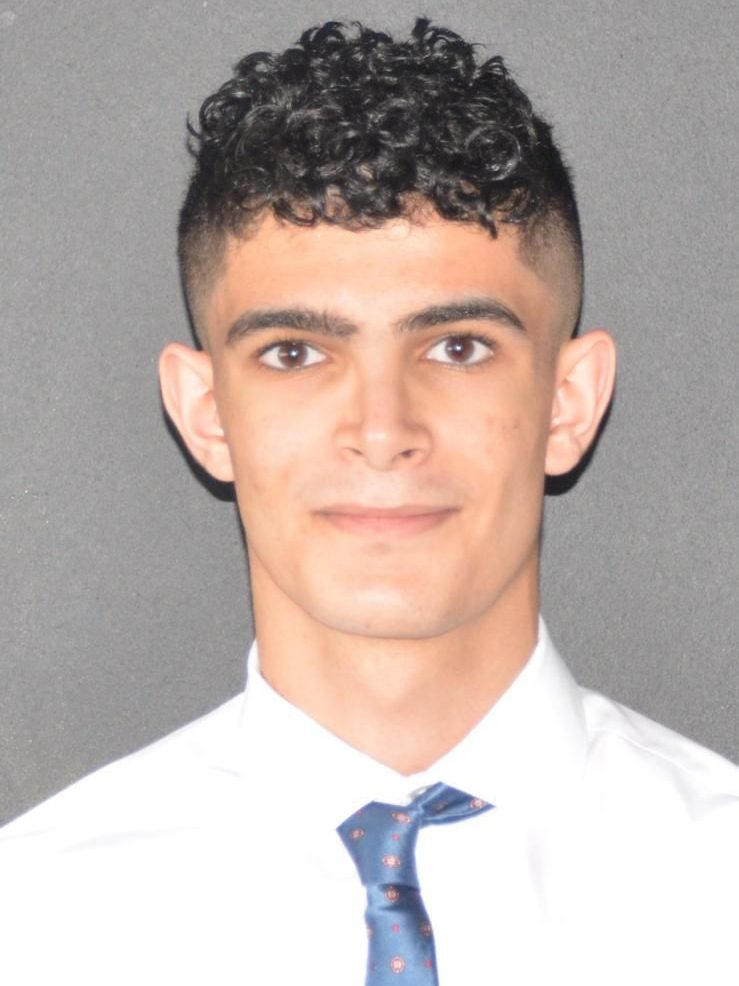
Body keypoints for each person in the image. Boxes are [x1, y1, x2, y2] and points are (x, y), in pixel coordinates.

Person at [1, 18, 737, 986]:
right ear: (205, 412)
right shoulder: (36, 922)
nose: (383, 429)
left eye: (458, 347)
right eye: (295, 353)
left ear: (568, 400)